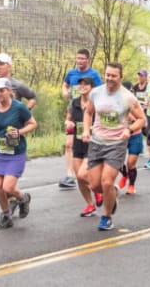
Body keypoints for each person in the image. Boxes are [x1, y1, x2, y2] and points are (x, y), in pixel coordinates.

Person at [79, 63, 145, 232]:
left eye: (113, 76)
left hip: (116, 145)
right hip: (97, 142)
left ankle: (107, 217)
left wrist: (129, 130)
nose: (109, 78)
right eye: (107, 75)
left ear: (120, 77)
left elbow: (141, 119)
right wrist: (86, 130)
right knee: (94, 185)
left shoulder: (128, 97)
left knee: (107, 182)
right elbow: (88, 113)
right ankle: (112, 195)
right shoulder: (96, 93)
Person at [0, 77, 38, 230]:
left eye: (2, 91)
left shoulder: (19, 107)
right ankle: (6, 215)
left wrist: (19, 132)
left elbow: (33, 124)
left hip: (16, 153)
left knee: (8, 188)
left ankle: (23, 199)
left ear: (9, 91)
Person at [61, 49, 104, 189]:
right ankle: (69, 175)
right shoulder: (71, 73)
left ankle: (94, 173)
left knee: (87, 145)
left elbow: (101, 91)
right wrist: (65, 92)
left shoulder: (94, 75)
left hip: (90, 112)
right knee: (69, 144)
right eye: (77, 58)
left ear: (88, 60)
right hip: (74, 110)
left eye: (82, 59)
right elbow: (65, 84)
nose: (79, 61)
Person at [66, 76, 101, 217]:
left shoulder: (97, 103)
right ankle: (90, 205)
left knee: (82, 174)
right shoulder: (74, 103)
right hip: (78, 141)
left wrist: (93, 128)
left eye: (86, 84)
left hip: (93, 143)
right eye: (80, 84)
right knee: (79, 178)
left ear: (92, 88)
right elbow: (68, 119)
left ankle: (98, 190)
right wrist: (68, 124)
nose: (82, 86)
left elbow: (105, 121)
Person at [119, 69, 150, 195]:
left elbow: (143, 120)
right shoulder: (116, 102)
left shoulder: (135, 103)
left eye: (130, 91)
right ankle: (124, 175)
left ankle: (131, 185)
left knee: (131, 162)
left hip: (135, 135)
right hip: (121, 136)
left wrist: (133, 118)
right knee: (117, 162)